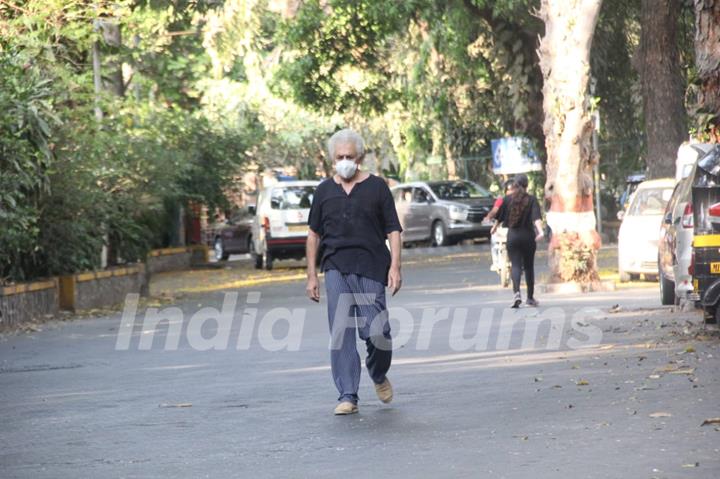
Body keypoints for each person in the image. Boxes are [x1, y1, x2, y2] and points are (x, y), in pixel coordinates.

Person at [305, 128, 403, 416]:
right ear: (332, 159)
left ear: (359, 157)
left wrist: (396, 266)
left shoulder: (377, 187)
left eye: (349, 156)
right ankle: (347, 394)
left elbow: (393, 230)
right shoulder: (324, 191)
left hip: (372, 265)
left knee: (378, 332)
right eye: (339, 157)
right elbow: (313, 235)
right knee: (341, 330)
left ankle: (377, 372)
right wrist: (311, 275)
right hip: (336, 266)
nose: (345, 161)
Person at [496, 174, 543, 308]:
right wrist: (540, 231)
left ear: (515, 185)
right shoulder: (532, 199)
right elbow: (536, 218)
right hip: (528, 236)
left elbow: (499, 217)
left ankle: (516, 293)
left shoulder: (508, 199)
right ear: (527, 185)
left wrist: (494, 228)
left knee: (515, 265)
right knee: (528, 267)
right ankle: (530, 297)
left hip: (513, 237)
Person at [487, 180, 515, 272]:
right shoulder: (523, 200)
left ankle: (495, 263)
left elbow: (497, 215)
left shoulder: (501, 200)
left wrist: (492, 223)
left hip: (506, 230)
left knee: (494, 240)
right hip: (514, 230)